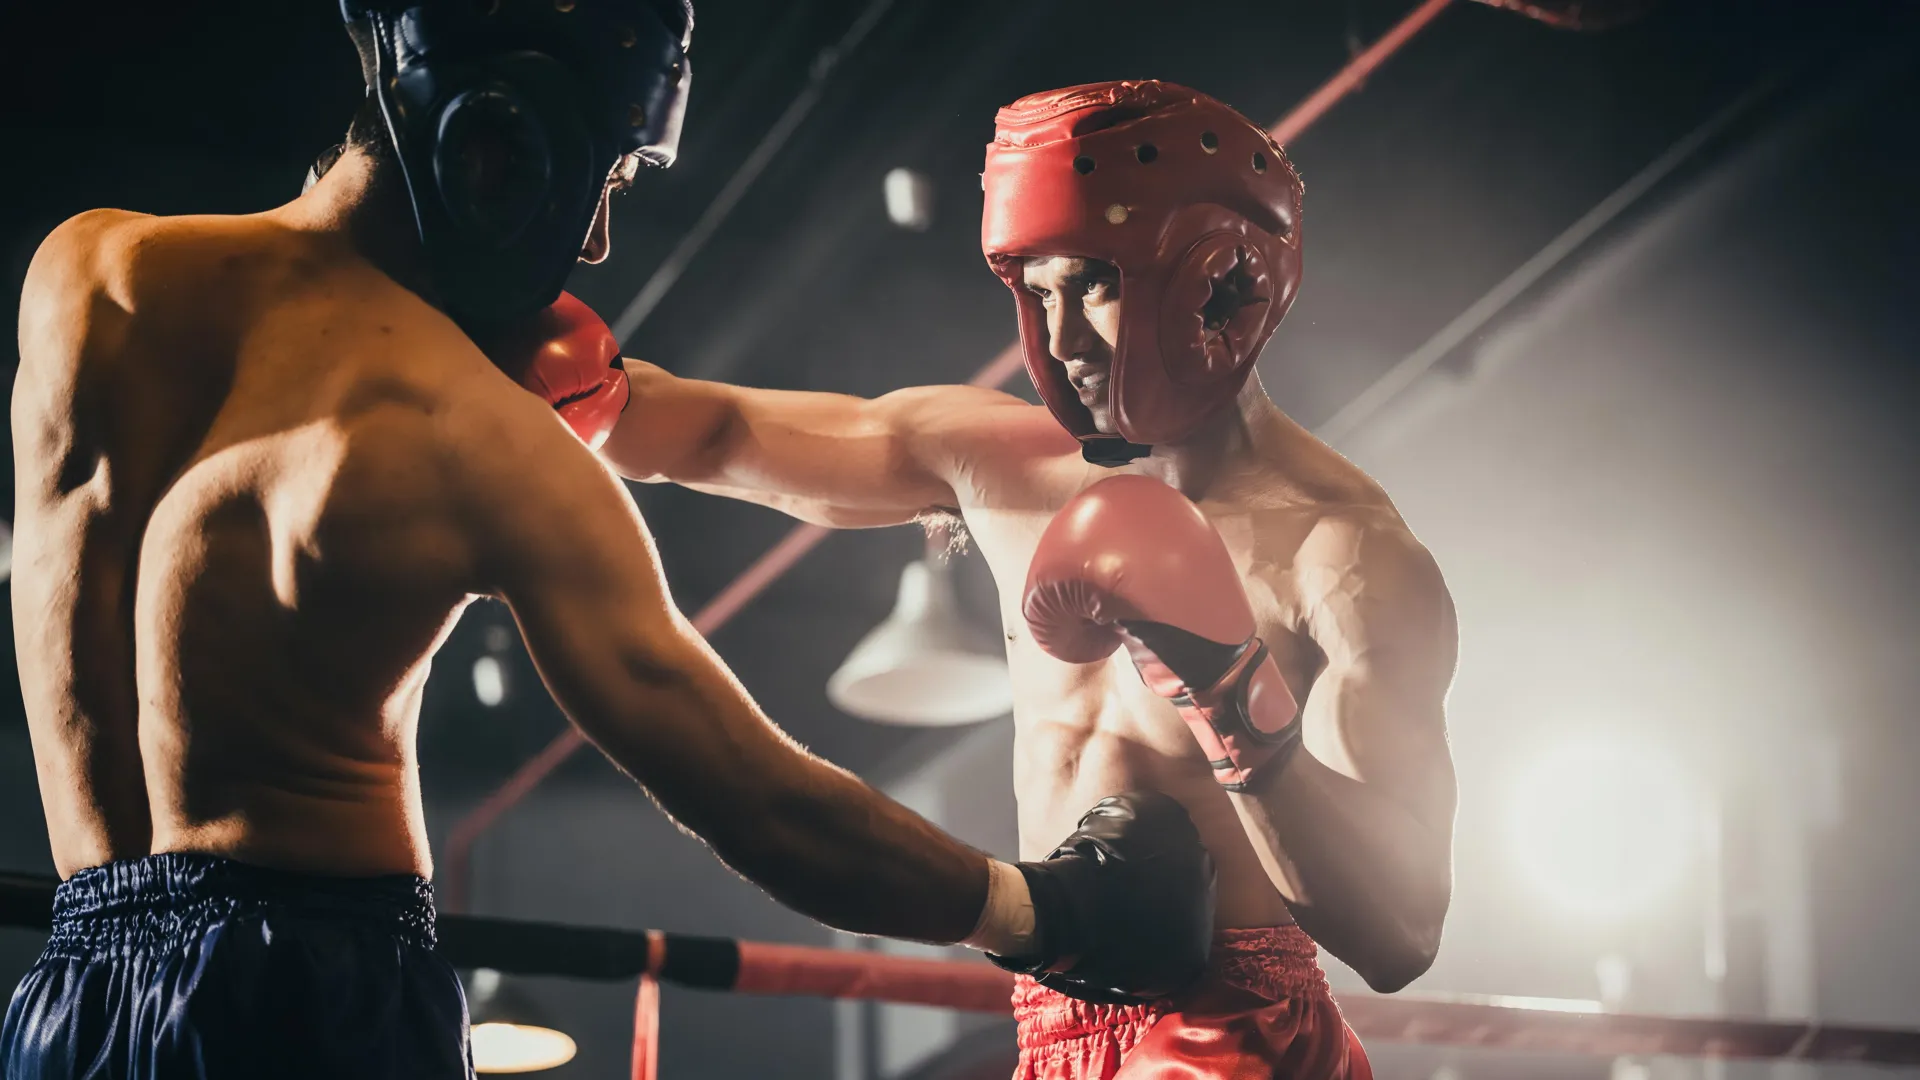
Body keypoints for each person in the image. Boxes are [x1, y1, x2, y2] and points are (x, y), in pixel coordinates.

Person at [1, 10, 1214, 1077]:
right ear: (504, 145)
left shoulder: (90, 274)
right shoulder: (472, 440)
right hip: (314, 998)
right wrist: (1045, 911)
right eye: (614, 176)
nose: (591, 241)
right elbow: (751, 798)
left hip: (70, 997)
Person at [574, 80, 1460, 1078]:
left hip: (1235, 1026)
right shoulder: (997, 460)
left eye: (1093, 285)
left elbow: (1401, 930)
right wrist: (523, 342)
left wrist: (1233, 699)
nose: (1064, 336)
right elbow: (716, 430)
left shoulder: (1341, 553)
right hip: (1052, 1010)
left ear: (1220, 283)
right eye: (1037, 293)